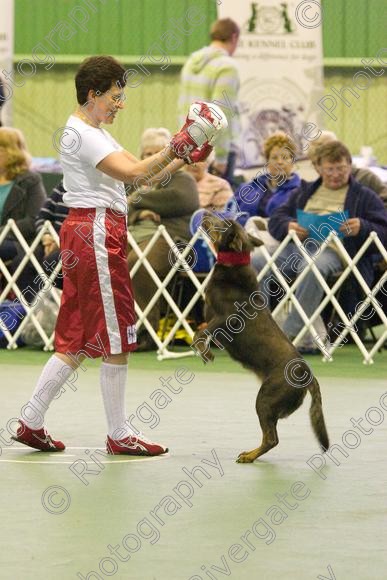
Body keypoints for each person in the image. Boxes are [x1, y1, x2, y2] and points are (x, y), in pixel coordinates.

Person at [11, 55, 224, 456]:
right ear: (94, 94)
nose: (119, 104)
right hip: (95, 231)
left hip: (91, 230)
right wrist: (180, 142)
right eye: (115, 96)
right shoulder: (85, 134)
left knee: (76, 336)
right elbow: (132, 176)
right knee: (118, 334)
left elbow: (142, 173)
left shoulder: (94, 131)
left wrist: (184, 156)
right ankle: (119, 433)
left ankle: (31, 421)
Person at [263, 141, 387, 349]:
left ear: (350, 166)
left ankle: (289, 335)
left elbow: (384, 230)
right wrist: (289, 226)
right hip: (299, 247)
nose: (336, 174)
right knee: (259, 260)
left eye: (342, 168)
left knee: (312, 266)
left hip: (336, 251)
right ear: (318, 168)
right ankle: (261, 329)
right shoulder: (304, 192)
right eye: (330, 169)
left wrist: (363, 227)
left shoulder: (364, 196)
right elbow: (276, 218)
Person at [127, 127, 199, 351]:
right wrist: (141, 212)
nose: (150, 159)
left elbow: (178, 200)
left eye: (156, 153)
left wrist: (138, 199)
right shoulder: (138, 182)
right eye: (146, 154)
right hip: (137, 233)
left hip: (172, 238)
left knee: (139, 264)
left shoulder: (182, 179)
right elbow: (124, 210)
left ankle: (145, 331)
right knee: (106, 258)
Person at [178, 17, 240, 182]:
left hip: (188, 145)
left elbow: (182, 107)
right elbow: (221, 113)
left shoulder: (191, 62)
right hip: (212, 151)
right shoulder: (227, 67)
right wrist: (220, 158)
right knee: (219, 203)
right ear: (234, 37)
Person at [0, 127, 46, 263]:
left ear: (12, 153)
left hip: (16, 242)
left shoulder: (30, 181)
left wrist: (2, 231)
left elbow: (33, 220)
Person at [307, 131, 387, 208]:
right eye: (315, 163)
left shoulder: (365, 178)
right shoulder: (313, 189)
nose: (335, 175)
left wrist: (366, 218)